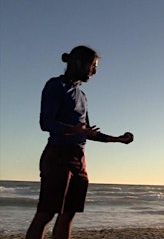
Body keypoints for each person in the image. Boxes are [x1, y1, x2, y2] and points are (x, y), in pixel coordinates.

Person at [26, 46, 134, 239]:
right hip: (58, 154)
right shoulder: (56, 85)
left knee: (69, 213)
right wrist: (75, 129)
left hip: (79, 158)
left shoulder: (82, 96)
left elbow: (89, 132)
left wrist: (118, 140)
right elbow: (46, 122)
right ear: (78, 63)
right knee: (47, 213)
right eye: (92, 65)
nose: (94, 71)